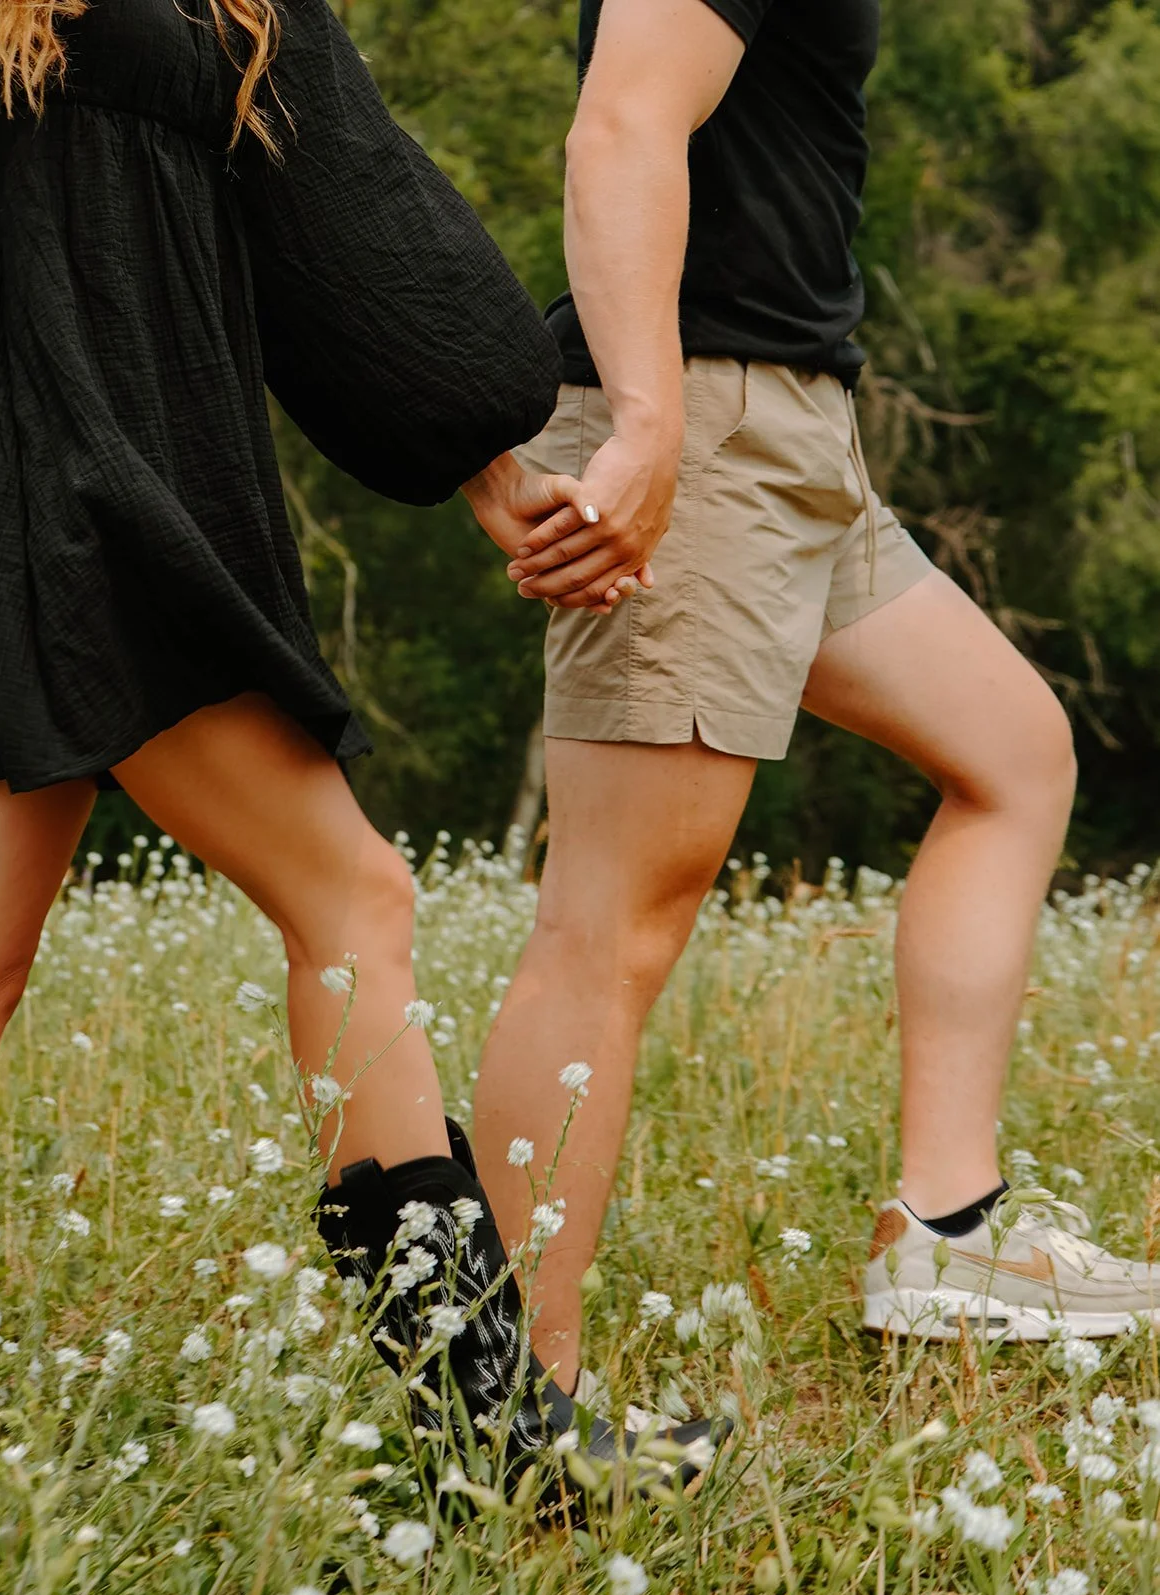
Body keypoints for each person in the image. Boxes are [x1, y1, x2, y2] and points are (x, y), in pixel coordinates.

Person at [0, 0, 716, 1482]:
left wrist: (485, 459)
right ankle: (491, 1430)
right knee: (350, 900)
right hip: (77, 496)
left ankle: (490, 1427)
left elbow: (345, 223)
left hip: (107, 489)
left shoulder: (240, 10)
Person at [472, 0, 1160, 1386]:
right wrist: (649, 423)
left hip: (795, 434)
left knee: (1013, 755)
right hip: (708, 424)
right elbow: (620, 126)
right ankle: (497, 1395)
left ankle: (945, 1236)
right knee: (612, 926)